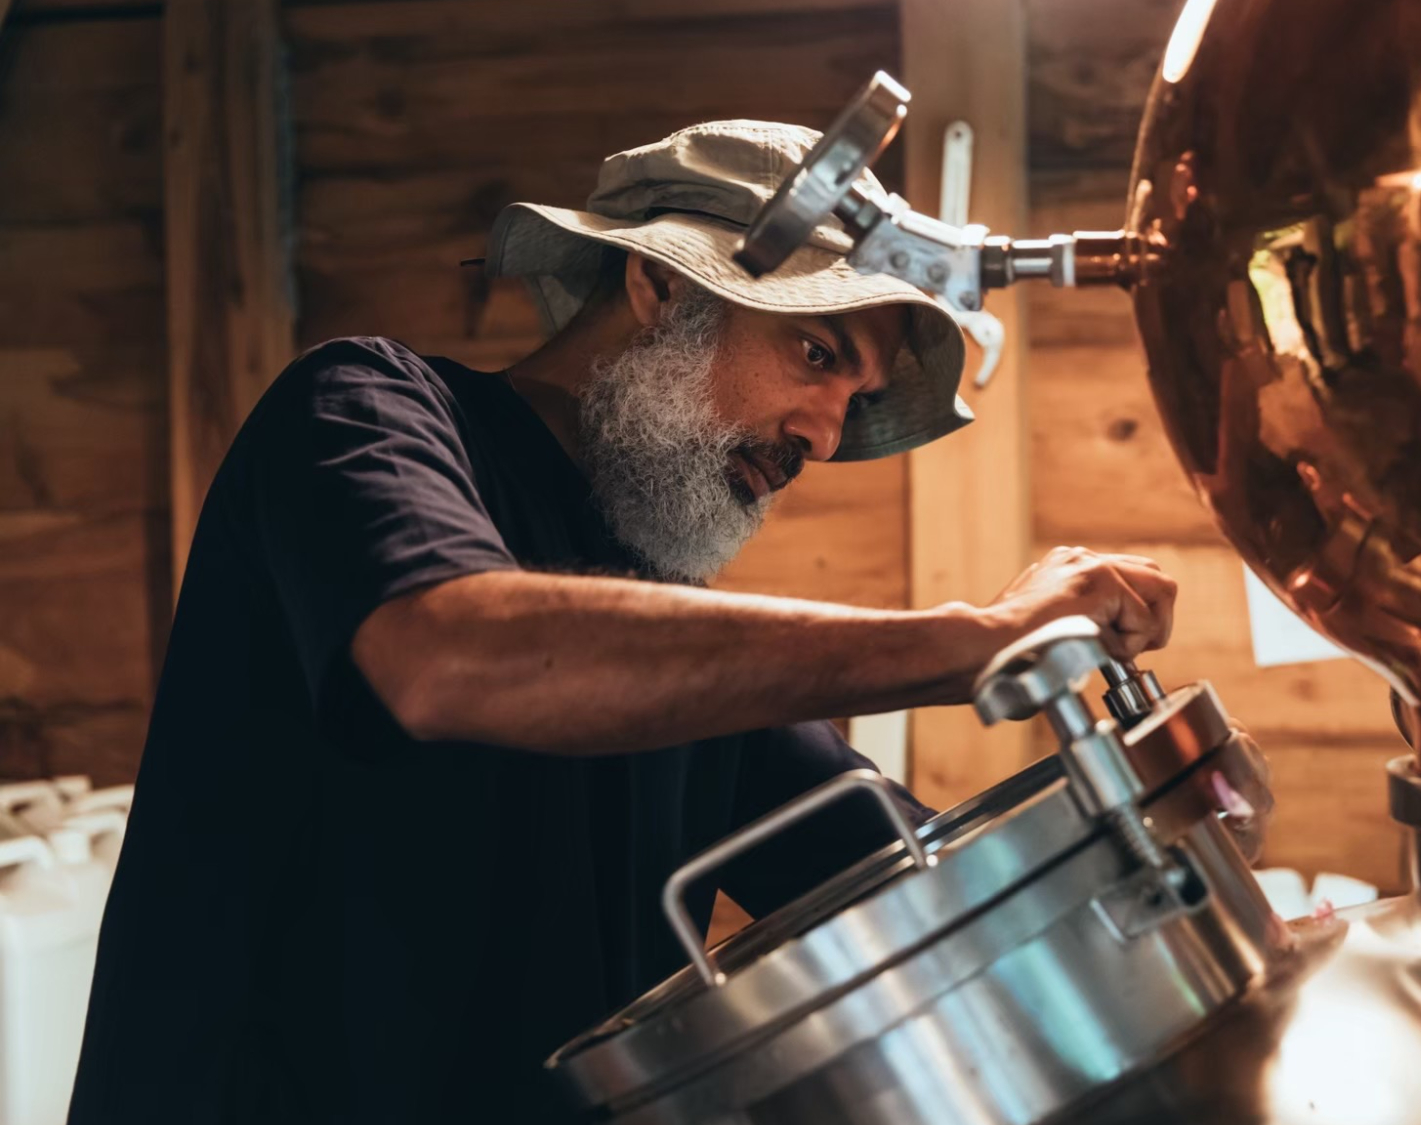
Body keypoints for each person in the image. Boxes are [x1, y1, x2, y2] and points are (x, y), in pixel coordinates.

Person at [67, 121, 1267, 1125]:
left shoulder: (672, 642)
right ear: (658, 287)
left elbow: (907, 882)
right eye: (814, 352)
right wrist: (969, 636)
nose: (824, 435)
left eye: (849, 398)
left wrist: (1175, 864)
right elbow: (447, 656)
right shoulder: (365, 411)